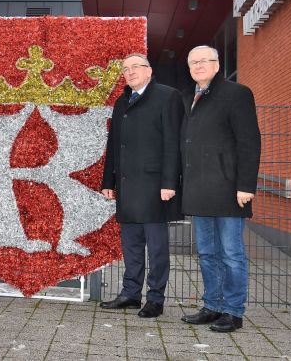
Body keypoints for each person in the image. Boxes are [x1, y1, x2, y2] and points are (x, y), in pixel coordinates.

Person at [180, 45, 261, 333]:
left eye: (204, 61)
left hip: (229, 191)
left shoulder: (237, 94)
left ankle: (233, 311)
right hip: (200, 191)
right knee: (207, 253)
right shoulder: (191, 97)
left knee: (231, 254)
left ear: (217, 64)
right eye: (193, 62)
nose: (198, 66)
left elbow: (249, 142)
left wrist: (245, 185)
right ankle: (212, 306)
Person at [100, 53, 184, 318]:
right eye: (125, 69)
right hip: (127, 186)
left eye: (136, 67)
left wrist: (170, 182)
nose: (130, 72)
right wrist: (108, 181)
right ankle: (130, 294)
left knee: (157, 248)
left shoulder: (167, 96)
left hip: (155, 186)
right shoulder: (122, 101)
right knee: (131, 245)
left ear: (149, 70)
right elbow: (114, 145)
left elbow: (174, 142)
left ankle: (155, 298)